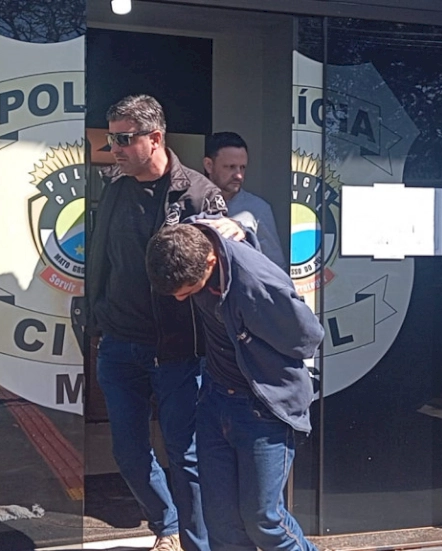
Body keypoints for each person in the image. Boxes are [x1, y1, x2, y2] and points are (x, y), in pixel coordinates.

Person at [80, 94, 241, 551]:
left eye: (124, 139)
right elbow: (101, 257)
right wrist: (96, 319)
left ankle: (195, 544)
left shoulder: (198, 194)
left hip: (178, 351)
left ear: (155, 138)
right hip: (119, 344)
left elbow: (219, 271)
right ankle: (165, 524)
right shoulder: (114, 188)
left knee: (185, 455)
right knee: (128, 453)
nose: (114, 148)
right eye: (112, 139)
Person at [145, 221, 324, 551]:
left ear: (210, 262)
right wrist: (239, 223)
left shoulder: (257, 284)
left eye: (188, 289)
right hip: (215, 399)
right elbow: (209, 220)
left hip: (263, 407)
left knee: (264, 521)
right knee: (222, 523)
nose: (182, 298)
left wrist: (254, 343)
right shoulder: (191, 239)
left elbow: (307, 338)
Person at [203, 132, 287, 271]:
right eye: (230, 167)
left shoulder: (258, 210)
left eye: (242, 167)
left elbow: (275, 266)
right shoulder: (192, 202)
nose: (239, 175)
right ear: (209, 165)